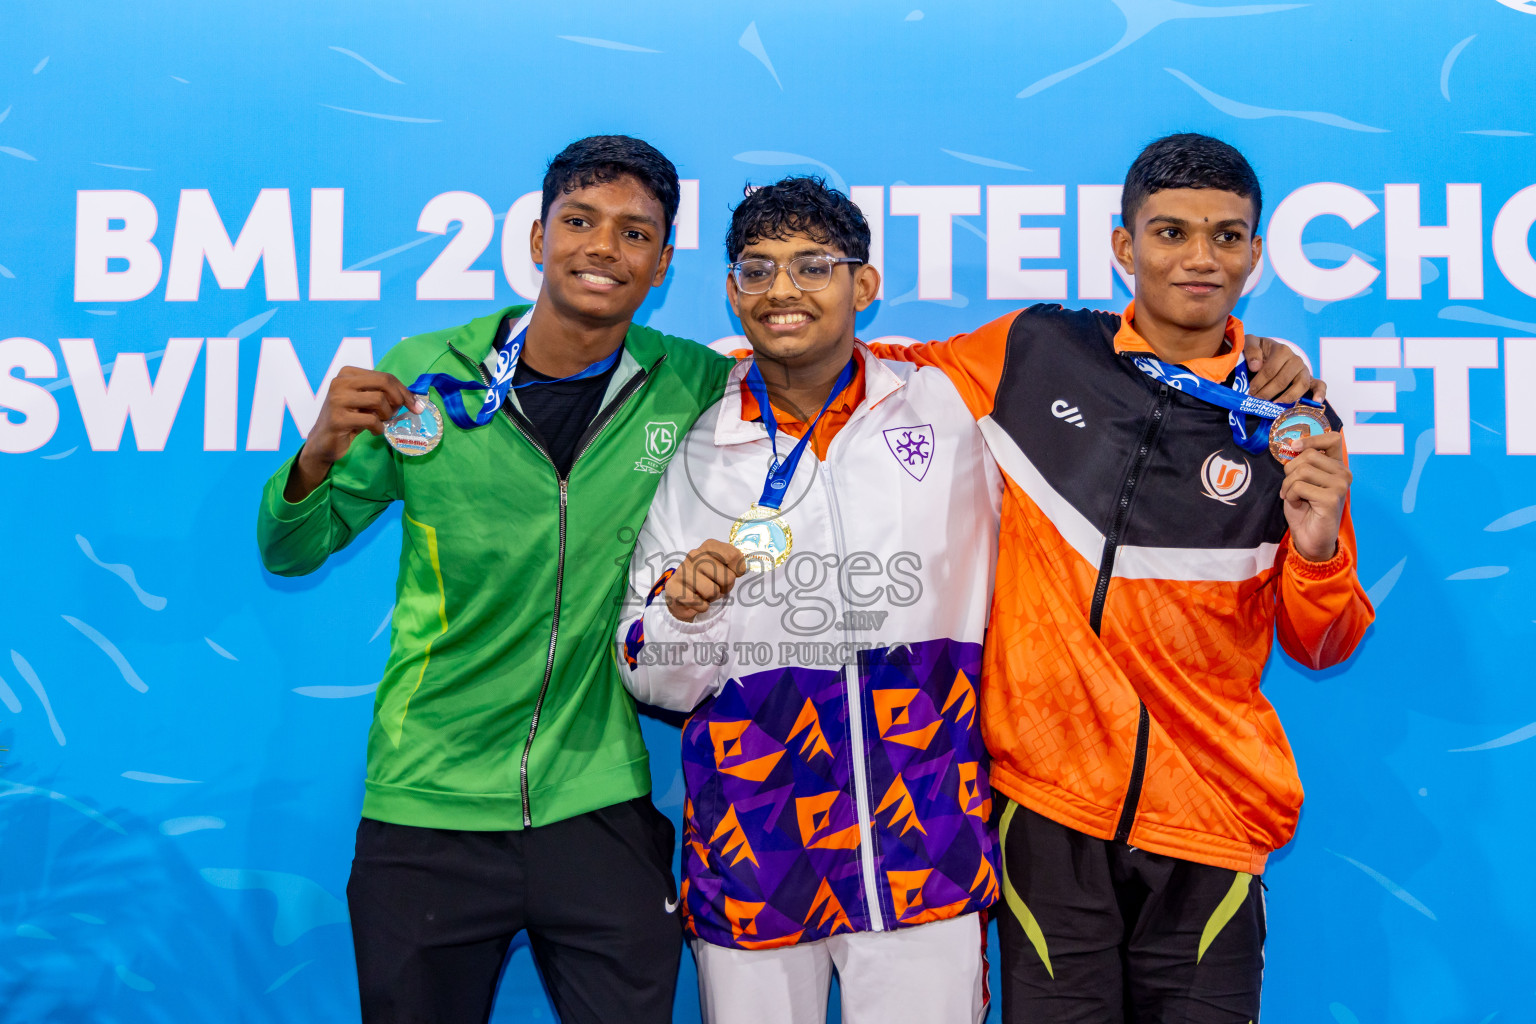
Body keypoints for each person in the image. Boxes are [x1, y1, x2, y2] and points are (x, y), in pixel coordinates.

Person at [869, 133, 1375, 1022]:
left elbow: (1324, 643)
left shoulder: (1291, 419)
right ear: (1123, 246)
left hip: (1212, 816)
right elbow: (879, 375)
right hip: (1050, 806)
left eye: (1226, 237)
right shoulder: (1037, 350)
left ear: (1256, 256)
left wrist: (1321, 543)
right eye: (1171, 232)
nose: (1199, 258)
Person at [255, 136, 734, 1024]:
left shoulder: (694, 383)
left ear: (664, 263)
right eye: (579, 222)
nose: (603, 247)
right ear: (536, 239)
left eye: (636, 234)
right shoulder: (429, 374)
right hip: (427, 804)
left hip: (600, 805)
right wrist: (318, 451)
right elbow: (291, 551)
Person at [616, 176, 1001, 1024]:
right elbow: (650, 675)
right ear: (731, 291)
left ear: (864, 285)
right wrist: (684, 614)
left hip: (925, 843)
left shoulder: (951, 409)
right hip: (755, 850)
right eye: (757, 269)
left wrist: (1262, 365)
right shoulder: (692, 438)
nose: (781, 289)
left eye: (813, 265)